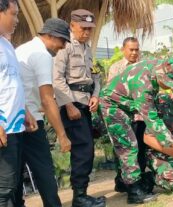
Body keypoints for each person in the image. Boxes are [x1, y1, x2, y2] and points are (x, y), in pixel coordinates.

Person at [100, 58, 173, 204]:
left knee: (127, 143)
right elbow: (153, 121)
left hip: (125, 104)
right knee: (127, 145)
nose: (167, 88)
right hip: (111, 105)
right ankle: (134, 191)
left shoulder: (156, 66)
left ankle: (122, 182)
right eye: (167, 83)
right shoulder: (143, 84)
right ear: (161, 75)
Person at [15, 18, 72, 207]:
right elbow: (48, 99)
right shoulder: (41, 55)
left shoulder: (20, 49)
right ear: (49, 35)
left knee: (14, 175)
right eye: (62, 41)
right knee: (44, 170)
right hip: (31, 122)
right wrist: (62, 135)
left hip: (14, 120)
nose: (63, 47)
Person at [53, 9, 105, 207]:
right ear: (72, 25)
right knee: (83, 149)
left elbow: (95, 76)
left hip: (85, 102)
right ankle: (79, 197)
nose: (86, 32)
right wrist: (67, 104)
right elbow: (57, 80)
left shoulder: (87, 48)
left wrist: (95, 95)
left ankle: (82, 194)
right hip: (71, 104)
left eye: (89, 29)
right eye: (83, 28)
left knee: (87, 148)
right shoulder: (64, 47)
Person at [0, 0, 37, 206]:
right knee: (3, 188)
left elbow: (11, 82)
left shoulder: (6, 44)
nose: (16, 20)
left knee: (12, 185)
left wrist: (26, 111)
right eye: (13, 14)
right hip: (2, 127)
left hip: (15, 126)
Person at [107, 37, 148, 192]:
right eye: (131, 49)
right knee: (123, 150)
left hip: (140, 115)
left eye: (136, 49)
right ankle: (121, 181)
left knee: (140, 148)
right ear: (123, 50)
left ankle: (138, 181)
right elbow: (111, 92)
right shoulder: (116, 68)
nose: (134, 52)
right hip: (122, 116)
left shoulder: (143, 66)